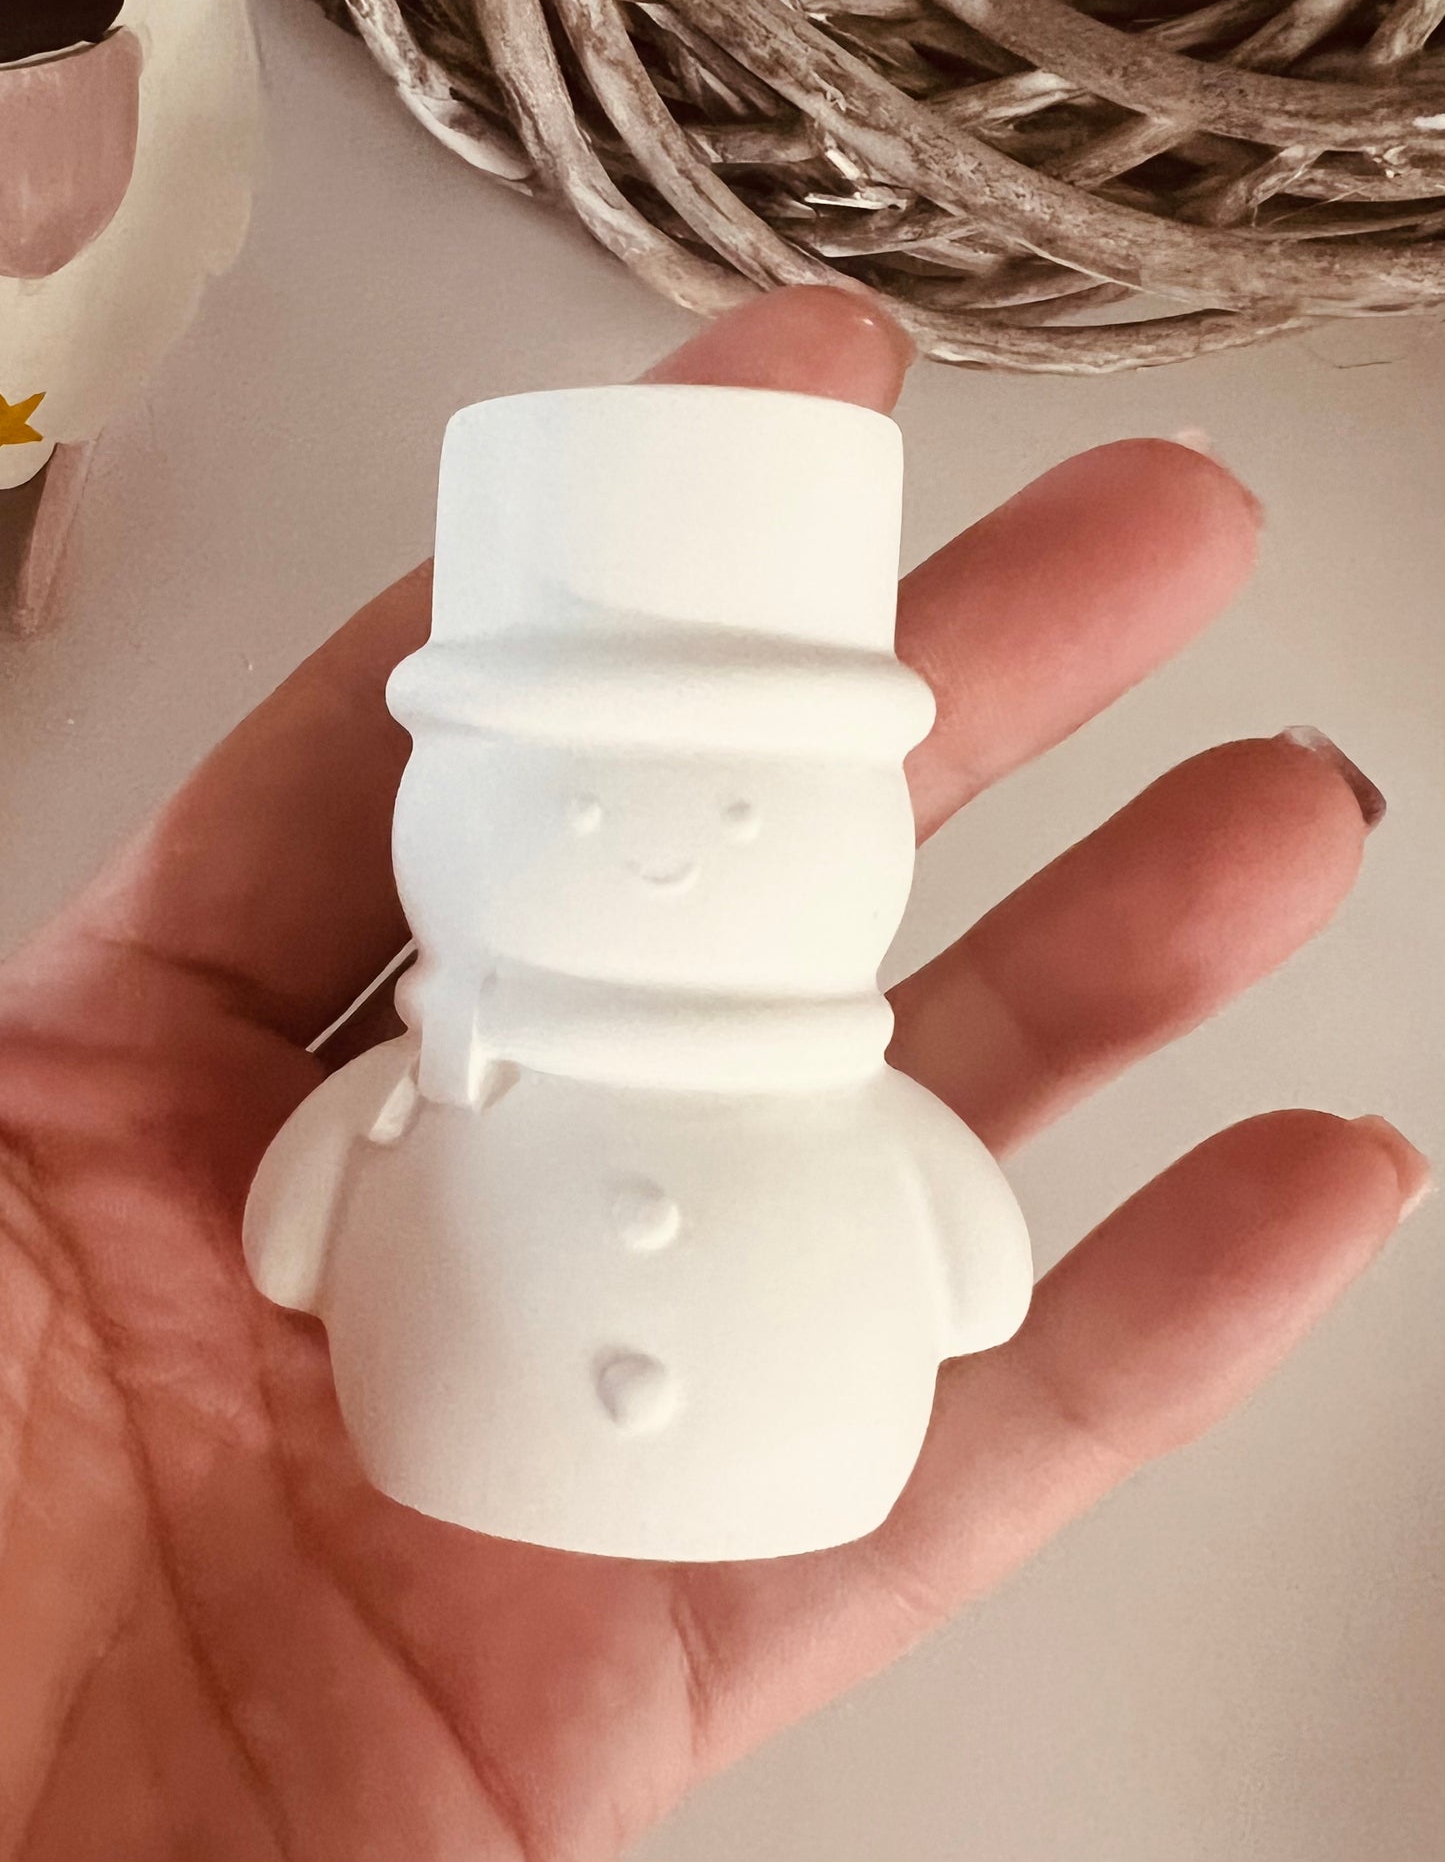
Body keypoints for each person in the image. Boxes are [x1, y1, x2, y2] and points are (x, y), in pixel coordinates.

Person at [0, 285, 1426, 1861]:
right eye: (574, 808)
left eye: (740, 812)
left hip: (776, 1448)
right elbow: (291, 1243)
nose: (662, 850)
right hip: (434, 1422)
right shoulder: (438, 1084)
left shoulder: (827, 1117)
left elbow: (973, 1287)